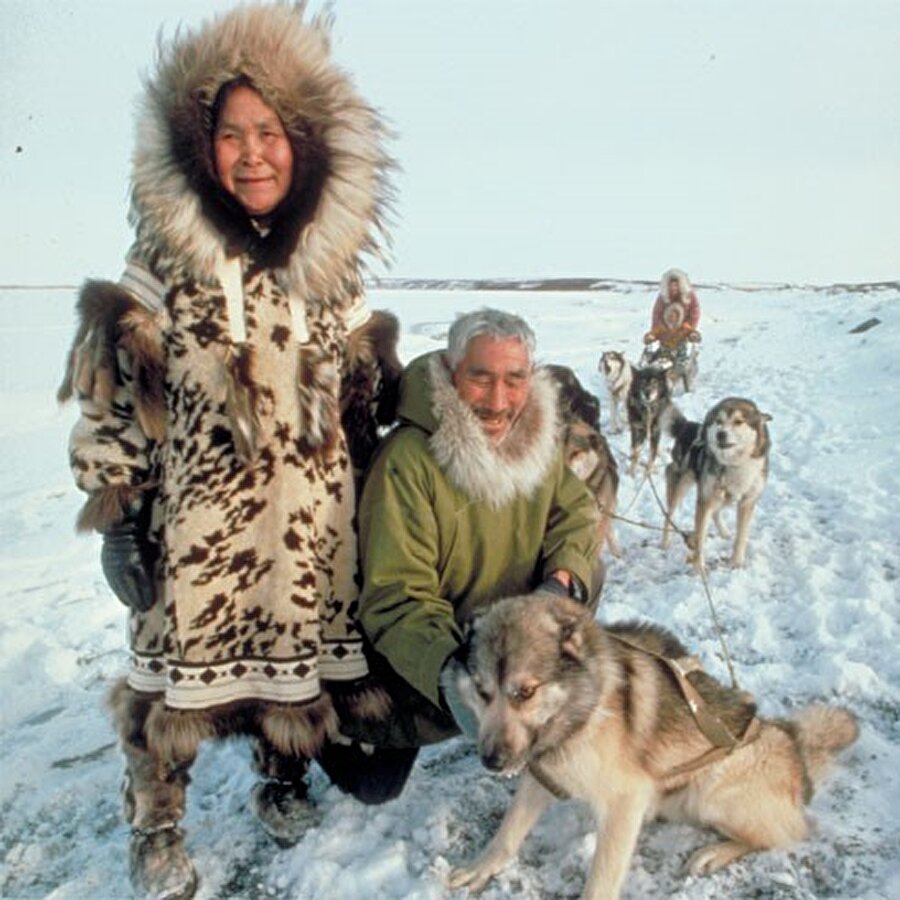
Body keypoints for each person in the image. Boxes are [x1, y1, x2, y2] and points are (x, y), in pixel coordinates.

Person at [56, 6, 400, 898]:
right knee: (165, 697)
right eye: (231, 135)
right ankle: (158, 824)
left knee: (296, 676)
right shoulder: (161, 266)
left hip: (310, 538)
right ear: (196, 147)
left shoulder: (334, 276)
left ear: (307, 143)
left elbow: (369, 407)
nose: (253, 154)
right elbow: (113, 398)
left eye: (271, 133)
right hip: (193, 539)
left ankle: (281, 777)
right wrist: (118, 518)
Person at [338, 309, 602, 775]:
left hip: (512, 637)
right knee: (374, 785)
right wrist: (458, 681)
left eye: (514, 380)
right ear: (451, 371)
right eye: (480, 378)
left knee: (588, 574)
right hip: (447, 648)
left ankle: (525, 692)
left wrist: (557, 590)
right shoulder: (408, 462)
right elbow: (397, 599)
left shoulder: (536, 437)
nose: (499, 401)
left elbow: (576, 513)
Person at [643, 267, 702, 364]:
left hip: (682, 337)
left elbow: (695, 312)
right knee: (657, 356)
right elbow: (657, 314)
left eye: (676, 285)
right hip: (665, 340)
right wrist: (652, 335)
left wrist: (692, 331)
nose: (673, 288)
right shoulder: (663, 297)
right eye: (671, 285)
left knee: (683, 355)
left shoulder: (688, 296)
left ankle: (680, 369)